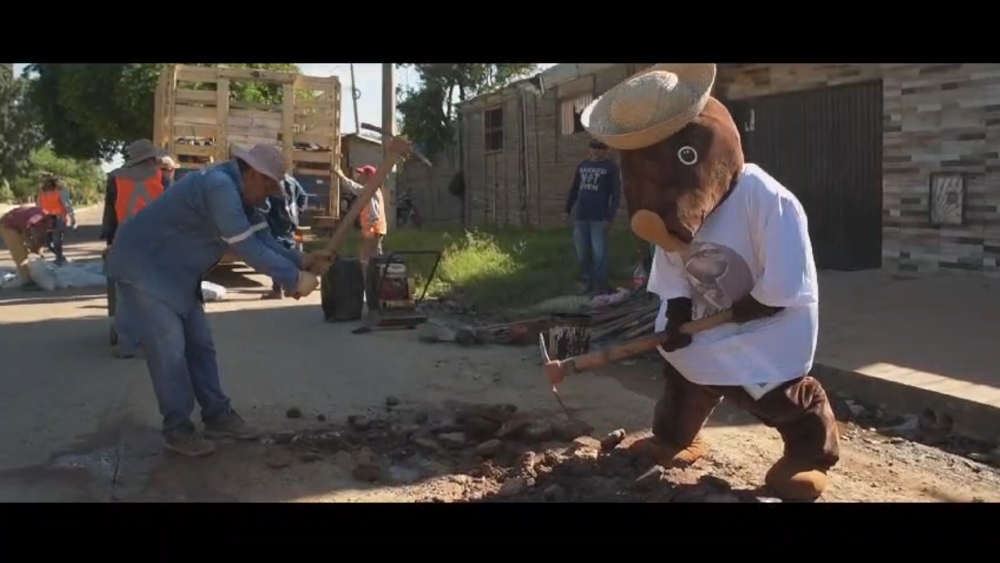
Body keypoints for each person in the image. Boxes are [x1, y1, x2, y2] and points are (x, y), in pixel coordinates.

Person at [549, 63, 840, 501]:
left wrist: (751, 305)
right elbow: (672, 266)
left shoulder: (765, 199)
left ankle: (808, 453)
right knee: (685, 377)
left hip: (764, 325)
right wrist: (679, 309)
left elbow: (787, 274)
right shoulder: (666, 209)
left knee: (777, 395)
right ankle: (675, 438)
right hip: (708, 320)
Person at [105, 139, 410, 457]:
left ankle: (217, 415)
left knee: (200, 346)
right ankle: (178, 429)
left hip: (179, 270)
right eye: (269, 188)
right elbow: (246, 246)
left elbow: (263, 238)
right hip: (144, 266)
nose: (269, 195)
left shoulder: (242, 193)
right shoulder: (219, 186)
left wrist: (301, 260)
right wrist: (293, 280)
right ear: (254, 175)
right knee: (170, 351)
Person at [101, 139, 170, 359]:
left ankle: (127, 344)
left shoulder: (115, 178)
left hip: (126, 241)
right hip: (157, 242)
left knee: (125, 294)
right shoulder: (163, 178)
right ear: (152, 158)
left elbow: (110, 216)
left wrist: (110, 242)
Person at [564, 139, 621, 295]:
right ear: (589, 149)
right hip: (581, 216)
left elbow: (615, 194)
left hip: (599, 217)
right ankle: (587, 280)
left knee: (599, 253)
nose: (596, 151)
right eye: (594, 147)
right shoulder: (583, 166)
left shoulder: (611, 167)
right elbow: (575, 188)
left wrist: (610, 217)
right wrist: (567, 209)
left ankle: (600, 284)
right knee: (582, 252)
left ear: (606, 150)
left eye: (600, 148)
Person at [261, 173, 310, 300]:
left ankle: (278, 290)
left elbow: (264, 203)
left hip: (275, 222)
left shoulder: (271, 179)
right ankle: (291, 287)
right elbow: (303, 196)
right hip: (289, 223)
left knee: (277, 256)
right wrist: (298, 212)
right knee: (289, 254)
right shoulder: (291, 180)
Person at [335, 164, 386, 272]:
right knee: (370, 257)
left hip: (374, 230)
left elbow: (374, 212)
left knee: (370, 259)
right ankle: (371, 281)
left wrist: (341, 176)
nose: (359, 176)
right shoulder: (371, 189)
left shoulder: (372, 190)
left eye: (361, 174)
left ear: (368, 176)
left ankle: (372, 282)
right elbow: (357, 189)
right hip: (372, 230)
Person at [0, 206, 56, 290]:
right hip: (8, 224)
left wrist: (39, 253)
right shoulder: (38, 216)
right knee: (20, 253)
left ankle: (31, 277)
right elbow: (26, 227)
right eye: (50, 226)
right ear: (49, 219)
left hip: (18, 224)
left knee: (28, 251)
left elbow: (41, 237)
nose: (49, 228)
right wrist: (29, 242)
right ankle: (26, 282)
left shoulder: (45, 222)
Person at [35, 175, 76, 265]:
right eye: (45, 183)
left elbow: (67, 205)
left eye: (48, 183)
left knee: (57, 241)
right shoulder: (41, 194)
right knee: (48, 242)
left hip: (59, 219)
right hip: (46, 220)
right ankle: (60, 257)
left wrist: (72, 217)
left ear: (53, 184)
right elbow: (38, 207)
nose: (46, 185)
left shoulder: (60, 192)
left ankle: (59, 258)